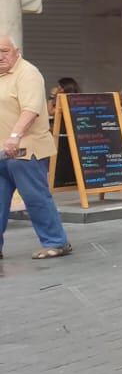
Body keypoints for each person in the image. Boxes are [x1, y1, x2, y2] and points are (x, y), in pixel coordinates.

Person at [0, 34, 72, 259]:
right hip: (2, 151)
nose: (0, 56)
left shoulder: (28, 73)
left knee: (36, 198)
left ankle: (56, 242)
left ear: (16, 51)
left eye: (4, 51)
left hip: (25, 150)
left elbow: (30, 110)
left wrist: (15, 136)